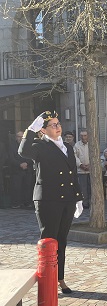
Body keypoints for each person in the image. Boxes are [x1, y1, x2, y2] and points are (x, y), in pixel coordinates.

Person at [18, 111, 83, 294]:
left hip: (67, 200)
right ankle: (47, 281)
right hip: (48, 200)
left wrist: (78, 197)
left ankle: (60, 278)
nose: (58, 127)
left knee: (61, 241)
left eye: (58, 123)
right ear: (44, 130)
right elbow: (23, 151)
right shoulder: (39, 145)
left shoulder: (67, 147)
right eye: (53, 125)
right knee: (48, 241)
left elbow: (72, 174)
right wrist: (31, 130)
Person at [9, 131, 34, 209]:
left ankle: (27, 203)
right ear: (16, 137)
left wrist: (26, 163)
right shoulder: (11, 146)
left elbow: (32, 156)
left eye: (22, 136)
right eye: (18, 136)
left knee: (27, 187)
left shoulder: (29, 146)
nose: (20, 138)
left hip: (27, 169)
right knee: (17, 188)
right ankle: (16, 203)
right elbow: (11, 158)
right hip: (16, 170)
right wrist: (19, 164)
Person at [74, 129, 91, 208]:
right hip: (81, 170)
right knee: (83, 188)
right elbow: (75, 157)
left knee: (91, 187)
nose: (83, 137)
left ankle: (92, 203)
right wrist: (80, 165)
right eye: (81, 136)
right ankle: (85, 203)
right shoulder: (77, 145)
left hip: (91, 170)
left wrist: (90, 165)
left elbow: (95, 155)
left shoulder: (92, 144)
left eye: (85, 135)